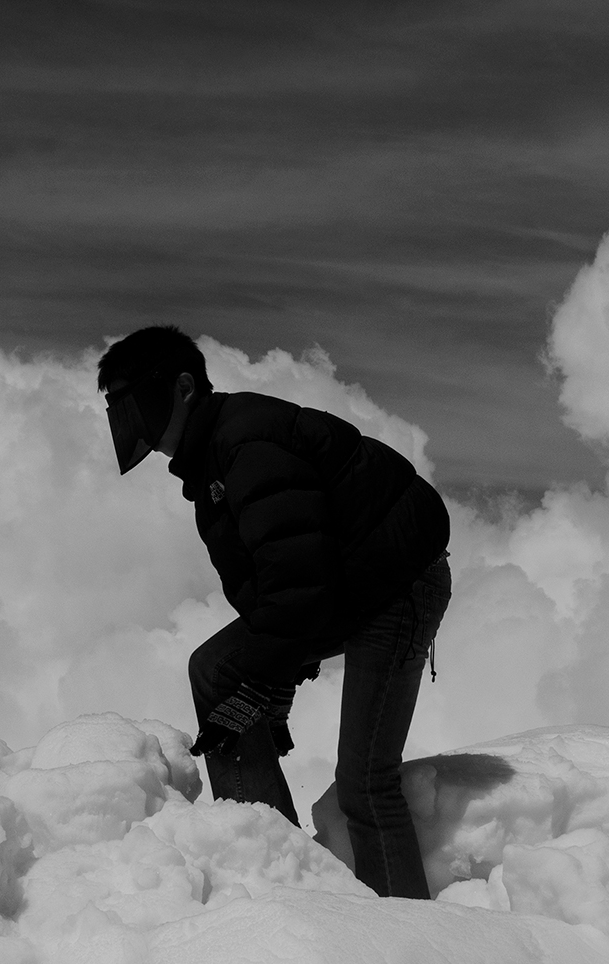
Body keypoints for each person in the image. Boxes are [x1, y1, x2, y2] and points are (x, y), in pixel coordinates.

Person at [98, 326, 451, 899]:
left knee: (365, 781)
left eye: (134, 401)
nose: (130, 420)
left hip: (398, 585)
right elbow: (273, 589)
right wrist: (269, 683)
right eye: (119, 408)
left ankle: (405, 932)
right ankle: (278, 870)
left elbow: (298, 585)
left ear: (183, 387)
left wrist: (259, 689)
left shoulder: (246, 443)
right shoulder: (210, 464)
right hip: (345, 587)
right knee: (215, 669)